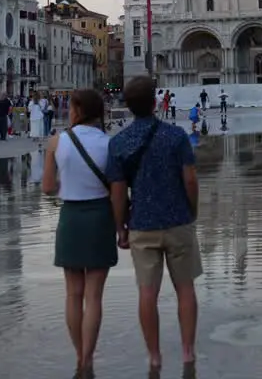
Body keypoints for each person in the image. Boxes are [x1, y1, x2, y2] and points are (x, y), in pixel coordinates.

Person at [107, 77, 201, 372]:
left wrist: (120, 227)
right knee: (185, 289)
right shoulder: (176, 136)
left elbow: (118, 192)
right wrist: (192, 211)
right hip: (178, 221)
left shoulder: (119, 142)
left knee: (147, 293)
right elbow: (190, 179)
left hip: (142, 225)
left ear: (129, 106)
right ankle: (187, 353)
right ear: (155, 103)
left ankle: (154, 356)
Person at [42, 88, 116, 376]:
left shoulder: (56, 142)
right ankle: (88, 358)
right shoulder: (109, 144)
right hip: (100, 216)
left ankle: (79, 358)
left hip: (70, 216)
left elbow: (47, 188)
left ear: (76, 110)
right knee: (94, 296)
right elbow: (118, 188)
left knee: (73, 293)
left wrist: (69, 188)